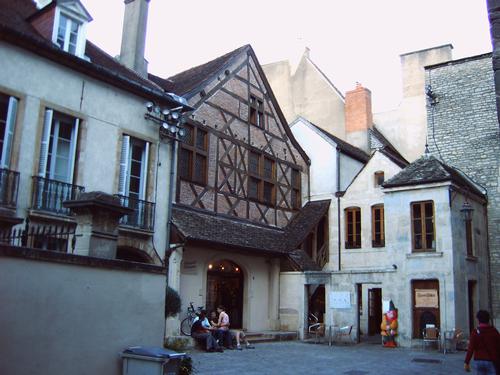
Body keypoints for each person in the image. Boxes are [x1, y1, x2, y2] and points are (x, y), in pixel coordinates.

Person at [464, 310, 500, 374]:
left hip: (479, 360)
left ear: (478, 320)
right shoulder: (494, 331)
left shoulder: (475, 332)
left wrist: (467, 362)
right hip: (491, 360)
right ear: (488, 320)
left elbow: (470, 348)